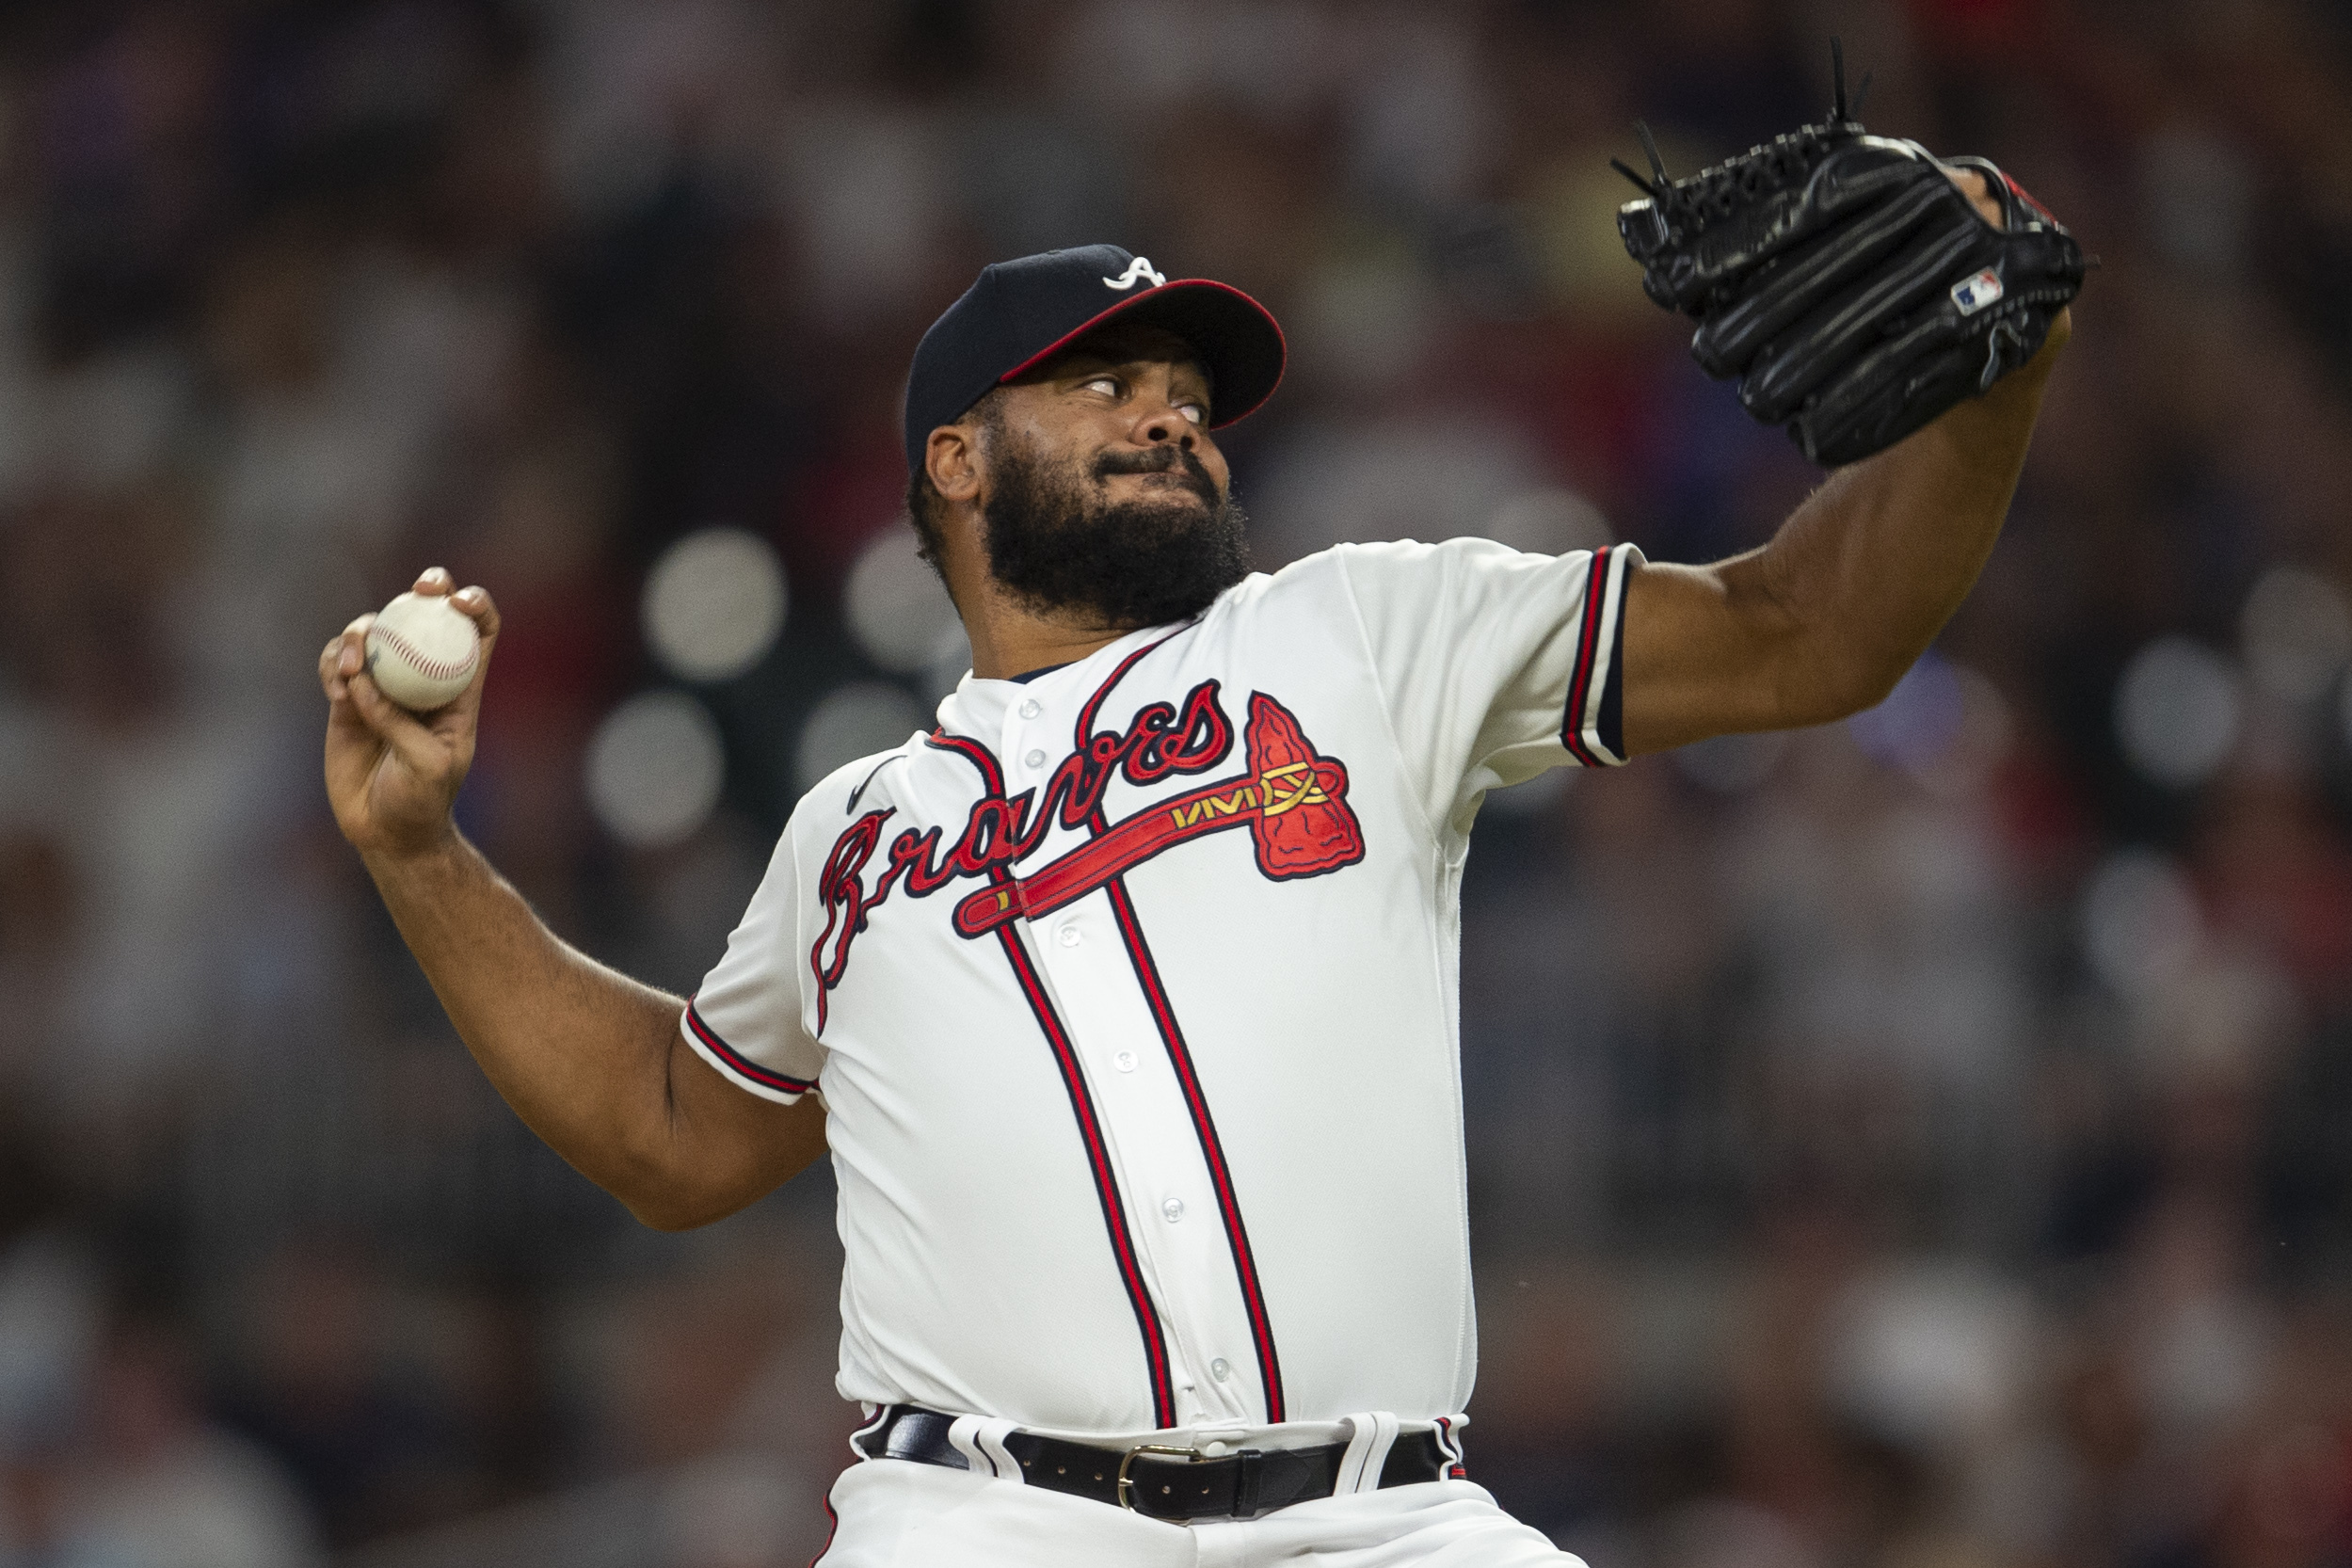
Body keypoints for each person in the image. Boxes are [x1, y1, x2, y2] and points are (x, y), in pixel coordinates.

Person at [319, 189, 2066, 1562]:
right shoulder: (855, 825)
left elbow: (1810, 630)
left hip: (1386, 1519)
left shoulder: (1365, 632)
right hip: (988, 1525)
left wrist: (1993, 364)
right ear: (954, 460)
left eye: (1188, 397)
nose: (1171, 419)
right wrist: (417, 849)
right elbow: (672, 1128)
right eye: (1105, 383)